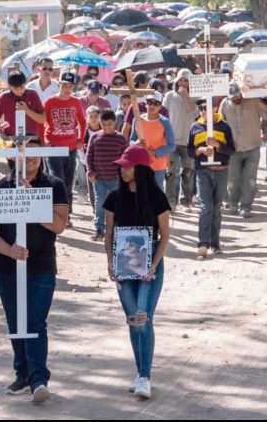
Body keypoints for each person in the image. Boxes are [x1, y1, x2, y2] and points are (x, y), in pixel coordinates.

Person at [0, 134, 69, 405]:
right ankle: (23, 373)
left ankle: (39, 379)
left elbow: (59, 225)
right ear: (13, 157)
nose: (29, 158)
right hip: (7, 266)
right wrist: (8, 250)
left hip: (41, 265)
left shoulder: (54, 185)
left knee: (34, 322)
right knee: (15, 322)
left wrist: (33, 200)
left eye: (34, 152)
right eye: (23, 153)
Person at [103, 145, 172, 401]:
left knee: (144, 316)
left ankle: (145, 376)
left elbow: (165, 235)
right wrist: (110, 262)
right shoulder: (113, 198)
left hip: (149, 265)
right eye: (121, 166)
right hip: (123, 265)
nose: (122, 170)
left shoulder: (157, 198)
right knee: (133, 319)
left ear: (141, 169)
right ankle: (139, 373)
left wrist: (153, 265)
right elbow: (109, 234)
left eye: (127, 166)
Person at [188, 97, 236, 261]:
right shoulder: (195, 126)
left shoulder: (224, 126)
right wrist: (200, 150)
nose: (203, 111)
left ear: (214, 108)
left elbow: (232, 150)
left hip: (221, 170)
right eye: (201, 108)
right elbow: (189, 151)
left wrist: (218, 145)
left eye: (206, 107)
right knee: (205, 207)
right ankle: (203, 244)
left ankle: (215, 243)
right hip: (203, 171)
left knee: (216, 208)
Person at [219, 82, 267, 218]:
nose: (236, 99)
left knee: (250, 179)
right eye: (233, 97)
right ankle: (233, 203)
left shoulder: (253, 100)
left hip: (252, 147)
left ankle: (246, 206)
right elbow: (219, 124)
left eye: (238, 96)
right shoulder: (224, 104)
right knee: (233, 179)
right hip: (233, 150)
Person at [44, 72, 87, 219]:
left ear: (73, 87)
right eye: (64, 85)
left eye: (70, 86)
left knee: (68, 181)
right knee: (58, 179)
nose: (67, 88)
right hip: (54, 146)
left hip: (71, 147)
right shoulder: (49, 102)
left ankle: (66, 213)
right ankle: (56, 213)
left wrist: (81, 138)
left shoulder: (76, 102)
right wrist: (45, 141)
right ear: (59, 85)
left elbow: (82, 121)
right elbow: (43, 121)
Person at [86, 109, 128, 241]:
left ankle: (117, 229)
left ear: (115, 123)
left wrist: (124, 175)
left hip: (115, 178)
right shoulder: (95, 137)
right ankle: (99, 229)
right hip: (99, 178)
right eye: (104, 124)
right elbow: (89, 157)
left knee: (118, 203)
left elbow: (126, 158)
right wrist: (90, 172)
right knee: (100, 203)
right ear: (100, 122)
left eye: (110, 124)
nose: (107, 127)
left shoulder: (121, 138)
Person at [162, 69, 198, 212]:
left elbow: (196, 115)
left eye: (186, 80)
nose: (183, 83)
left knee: (188, 172)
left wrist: (187, 97)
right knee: (171, 172)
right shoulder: (169, 96)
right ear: (176, 81)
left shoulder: (195, 97)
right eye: (181, 80)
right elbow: (163, 116)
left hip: (189, 141)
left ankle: (186, 201)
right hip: (171, 141)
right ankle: (171, 201)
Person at [130, 92, 176, 188]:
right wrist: (136, 144)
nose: (152, 106)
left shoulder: (165, 122)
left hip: (158, 165)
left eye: (156, 104)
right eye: (150, 102)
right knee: (141, 192)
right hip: (140, 163)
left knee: (156, 194)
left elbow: (172, 145)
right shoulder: (137, 120)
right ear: (145, 104)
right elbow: (131, 140)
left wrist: (154, 152)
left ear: (160, 107)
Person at [0, 71, 46, 137]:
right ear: (9, 86)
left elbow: (43, 119)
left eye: (21, 87)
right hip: (11, 139)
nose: (19, 91)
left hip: (32, 139)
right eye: (15, 89)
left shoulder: (33, 95)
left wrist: (26, 110)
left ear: (25, 84)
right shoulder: (3, 98)